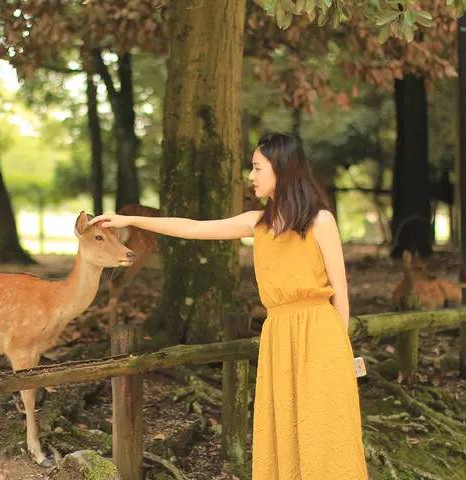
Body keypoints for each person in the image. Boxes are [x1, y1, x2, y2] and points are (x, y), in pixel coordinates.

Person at [87, 132, 369, 479]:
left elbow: (341, 291)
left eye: (257, 167)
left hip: (321, 335)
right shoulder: (257, 223)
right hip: (279, 333)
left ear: (282, 169)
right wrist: (131, 220)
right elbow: (191, 228)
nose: (251, 176)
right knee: (287, 427)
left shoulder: (321, 221)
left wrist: (343, 355)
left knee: (325, 428)